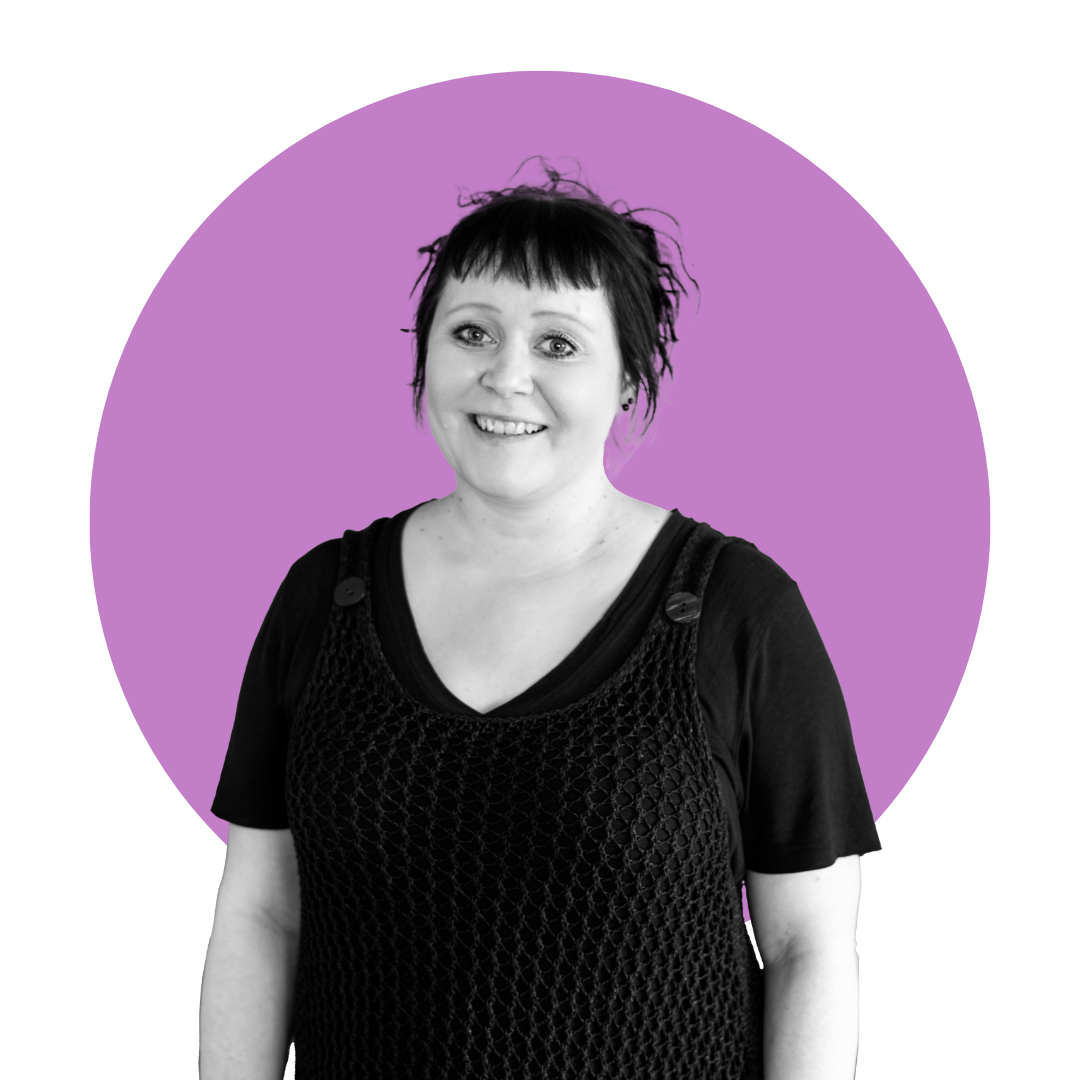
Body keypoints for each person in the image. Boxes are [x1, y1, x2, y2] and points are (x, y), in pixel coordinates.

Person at [200, 164, 880, 1080]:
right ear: (425, 353)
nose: (505, 375)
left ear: (629, 377)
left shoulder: (740, 610)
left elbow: (809, 947)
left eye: (558, 344)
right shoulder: (322, 598)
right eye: (471, 332)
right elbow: (262, 914)